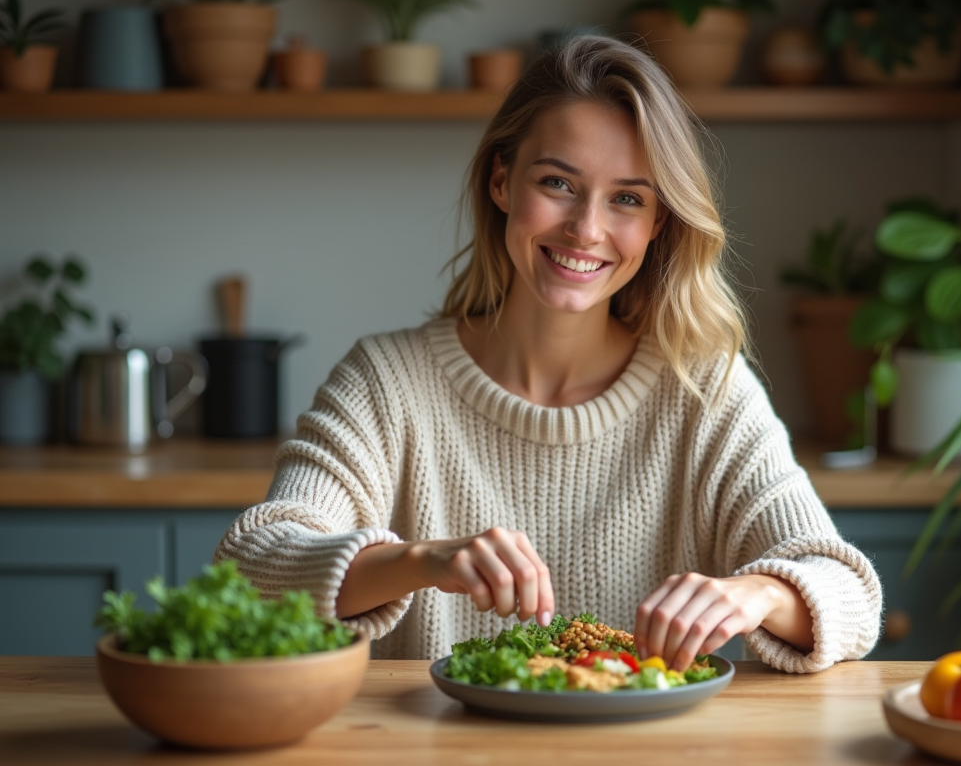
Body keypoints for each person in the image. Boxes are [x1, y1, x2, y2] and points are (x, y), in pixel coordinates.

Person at [216, 35, 882, 674]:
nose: (586, 229)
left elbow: (850, 595)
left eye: (627, 199)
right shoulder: (387, 382)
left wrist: (759, 593)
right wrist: (420, 561)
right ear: (503, 182)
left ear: (658, 226)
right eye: (558, 184)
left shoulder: (703, 389)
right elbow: (253, 565)